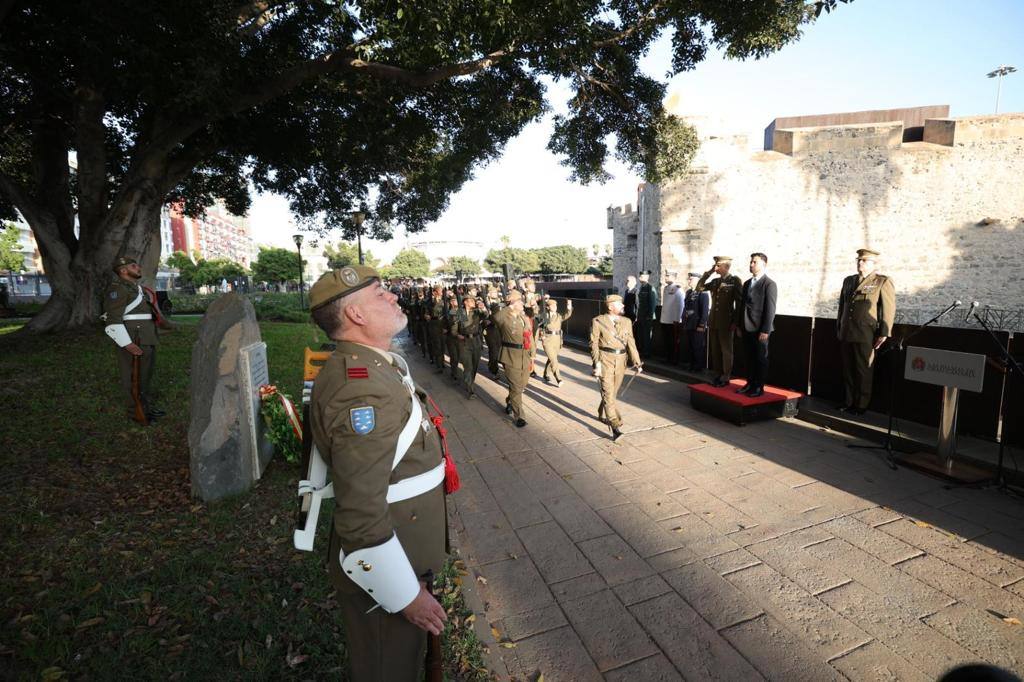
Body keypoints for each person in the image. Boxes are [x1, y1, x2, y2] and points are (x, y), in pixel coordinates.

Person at [307, 265, 449, 681]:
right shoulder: (361, 387)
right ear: (356, 315)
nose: (393, 297)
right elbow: (360, 513)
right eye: (380, 294)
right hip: (391, 564)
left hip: (406, 549)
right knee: (389, 669)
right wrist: (405, 596)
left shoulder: (374, 367)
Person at [102, 256, 171, 423]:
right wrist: (127, 344)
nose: (138, 267)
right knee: (132, 376)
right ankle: (136, 412)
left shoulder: (135, 288)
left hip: (145, 336)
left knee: (144, 375)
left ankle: (145, 408)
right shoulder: (118, 289)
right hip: (133, 337)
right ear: (123, 270)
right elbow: (113, 320)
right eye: (134, 266)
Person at [837, 248, 896, 415]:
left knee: (864, 370)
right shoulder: (849, 281)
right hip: (847, 331)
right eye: (859, 260)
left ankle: (861, 405)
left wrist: (884, 332)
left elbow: (888, 308)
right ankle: (848, 401)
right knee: (848, 369)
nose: (859, 263)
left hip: (866, 333)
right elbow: (842, 306)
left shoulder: (881, 281)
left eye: (864, 260)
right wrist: (839, 327)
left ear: (874, 264)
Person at [590, 294, 642, 441]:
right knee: (608, 393)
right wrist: (597, 364)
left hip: (621, 361)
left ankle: (602, 411)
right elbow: (593, 344)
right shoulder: (598, 321)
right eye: (620, 304)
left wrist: (637, 362)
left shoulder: (627, 321)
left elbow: (631, 343)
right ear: (610, 306)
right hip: (605, 360)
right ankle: (615, 427)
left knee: (611, 394)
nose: (623, 306)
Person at [696, 256, 743, 387]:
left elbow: (739, 303)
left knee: (726, 350)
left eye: (718, 266)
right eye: (715, 265)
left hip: (726, 322)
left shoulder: (734, 281)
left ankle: (726, 376)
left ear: (726, 267)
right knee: (715, 350)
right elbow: (699, 288)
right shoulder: (715, 282)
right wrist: (708, 273)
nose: (715, 268)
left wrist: (736, 322)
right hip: (714, 321)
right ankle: (717, 374)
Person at [736, 253, 778, 397]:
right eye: (751, 262)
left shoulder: (769, 284)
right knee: (748, 357)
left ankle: (759, 387)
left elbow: (770, 309)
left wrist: (765, 330)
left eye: (755, 262)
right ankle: (750, 383)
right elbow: (742, 306)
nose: (751, 264)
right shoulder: (747, 283)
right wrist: (739, 325)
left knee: (760, 359)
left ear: (763, 264)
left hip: (760, 329)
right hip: (746, 327)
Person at [491, 290, 532, 427]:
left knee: (521, 385)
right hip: (511, 356)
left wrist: (532, 354)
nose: (522, 303)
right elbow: (495, 318)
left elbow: (529, 336)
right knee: (515, 386)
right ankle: (520, 416)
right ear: (514, 303)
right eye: (520, 301)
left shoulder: (523, 317)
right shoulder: (505, 318)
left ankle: (510, 401)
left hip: (524, 356)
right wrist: (509, 305)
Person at [452, 295, 488, 398]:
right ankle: (470, 389)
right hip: (464, 343)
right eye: (471, 300)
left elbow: (485, 315)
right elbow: (454, 330)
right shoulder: (460, 313)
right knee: (468, 367)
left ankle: (470, 381)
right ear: (465, 302)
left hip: (476, 341)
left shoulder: (477, 312)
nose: (473, 302)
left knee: (475, 366)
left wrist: (483, 307)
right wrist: (457, 335)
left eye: (473, 300)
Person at [539, 297, 572, 387]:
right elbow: (539, 326)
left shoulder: (559, 316)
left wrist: (569, 305)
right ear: (548, 307)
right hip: (548, 340)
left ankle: (545, 374)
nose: (555, 307)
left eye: (555, 305)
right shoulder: (544, 315)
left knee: (551, 359)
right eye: (552, 305)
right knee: (554, 360)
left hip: (557, 340)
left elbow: (568, 314)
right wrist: (542, 335)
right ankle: (559, 378)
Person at [682, 272, 710, 371]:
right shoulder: (689, 292)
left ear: (698, 280)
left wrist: (702, 324)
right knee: (690, 345)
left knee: (697, 346)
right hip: (689, 323)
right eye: (689, 279)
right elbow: (686, 307)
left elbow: (704, 310)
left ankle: (698, 366)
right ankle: (692, 363)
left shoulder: (703, 293)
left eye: (691, 279)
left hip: (697, 323)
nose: (689, 280)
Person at [659, 271, 685, 364]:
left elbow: (680, 305)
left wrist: (677, 319)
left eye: (668, 276)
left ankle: (674, 359)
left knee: (673, 341)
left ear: (674, 277)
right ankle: (668, 357)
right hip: (665, 319)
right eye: (665, 276)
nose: (665, 277)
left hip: (673, 320)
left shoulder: (678, 289)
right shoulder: (666, 288)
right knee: (666, 340)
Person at [636, 270, 658, 357]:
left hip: (647, 316)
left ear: (647, 277)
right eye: (640, 276)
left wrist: (649, 315)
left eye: (641, 276)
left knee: (647, 334)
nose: (639, 278)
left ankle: (647, 352)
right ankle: (643, 350)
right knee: (641, 334)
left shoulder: (650, 288)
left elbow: (652, 303)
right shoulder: (642, 287)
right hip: (641, 315)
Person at [424, 286, 446, 372]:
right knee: (437, 346)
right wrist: (426, 316)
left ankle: (442, 361)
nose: (440, 292)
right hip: (433, 325)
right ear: (434, 292)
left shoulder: (445, 301)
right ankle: (439, 365)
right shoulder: (429, 302)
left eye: (441, 291)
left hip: (443, 325)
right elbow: (426, 312)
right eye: (439, 291)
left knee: (443, 345)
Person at [444, 295, 461, 381]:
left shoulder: (463, 311)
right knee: (454, 357)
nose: (455, 302)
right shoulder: (448, 312)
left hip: (461, 338)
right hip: (451, 338)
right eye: (453, 300)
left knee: (461, 356)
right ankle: (454, 372)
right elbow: (445, 325)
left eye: (456, 300)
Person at [484, 301, 503, 378]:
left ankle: (493, 368)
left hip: (499, 338)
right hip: (492, 338)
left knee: (498, 355)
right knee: (494, 355)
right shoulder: (489, 318)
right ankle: (494, 371)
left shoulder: (500, 318)